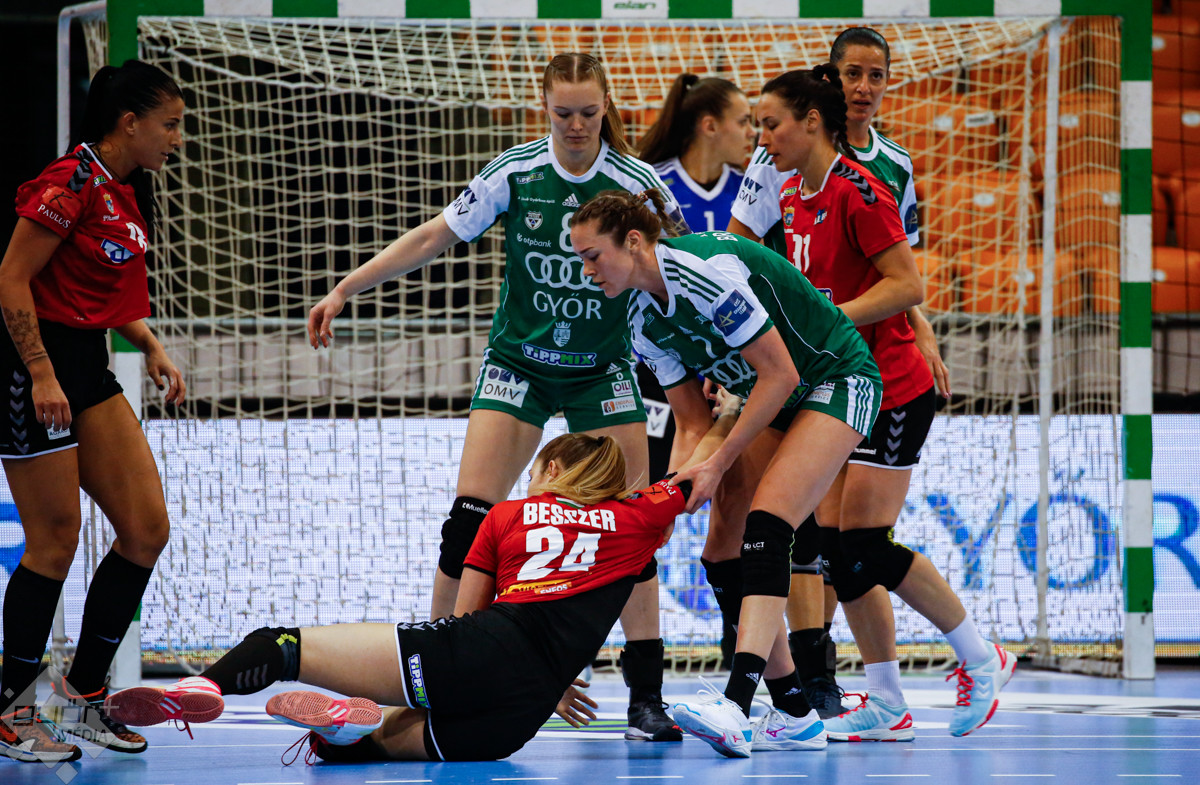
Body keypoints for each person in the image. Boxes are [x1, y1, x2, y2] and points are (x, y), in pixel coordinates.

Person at [305, 53, 688, 742]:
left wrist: (709, 359)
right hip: (519, 367)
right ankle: (432, 676)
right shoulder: (516, 172)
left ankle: (646, 697)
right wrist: (346, 287)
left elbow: (679, 268)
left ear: (607, 107)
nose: (576, 125)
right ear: (544, 107)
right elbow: (434, 235)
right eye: (563, 112)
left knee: (633, 531)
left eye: (588, 112)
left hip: (602, 369)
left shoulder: (637, 183)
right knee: (468, 523)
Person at [106, 424, 737, 762]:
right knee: (365, 751)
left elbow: (466, 619)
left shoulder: (509, 514)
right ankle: (345, 735)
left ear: (550, 469)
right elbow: (699, 472)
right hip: (522, 716)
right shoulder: (637, 519)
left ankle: (200, 687)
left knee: (281, 644)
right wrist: (730, 412)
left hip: (483, 653)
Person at [570, 190, 884, 758]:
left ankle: (737, 704)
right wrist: (665, 501)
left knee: (767, 526)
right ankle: (794, 711)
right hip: (770, 401)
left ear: (633, 242)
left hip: (834, 379)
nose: (586, 271)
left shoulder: (705, 274)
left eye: (593, 256)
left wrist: (717, 462)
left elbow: (781, 374)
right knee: (721, 554)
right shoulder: (641, 320)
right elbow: (693, 422)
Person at [757, 62, 1015, 743]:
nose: (763, 137)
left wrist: (829, 320)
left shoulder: (860, 192)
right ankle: (888, 702)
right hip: (846, 388)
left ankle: (981, 656)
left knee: (864, 546)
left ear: (812, 122)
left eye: (772, 124)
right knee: (841, 554)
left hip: (894, 389)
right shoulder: (793, 194)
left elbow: (907, 285)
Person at [727, 28, 952, 720]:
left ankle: (896, 676)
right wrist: (741, 342)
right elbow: (739, 248)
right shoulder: (781, 158)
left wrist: (921, 331)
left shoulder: (888, 169)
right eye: (852, 73)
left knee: (846, 541)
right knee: (805, 528)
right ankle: (816, 676)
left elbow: (900, 273)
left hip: (868, 366)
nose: (864, 86)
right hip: (803, 361)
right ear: (830, 83)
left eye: (876, 75)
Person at [0, 60, 187, 764]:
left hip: (86, 366)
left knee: (145, 529)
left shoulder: (124, 188)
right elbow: (12, 277)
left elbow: (94, 287)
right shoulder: (69, 181)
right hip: (33, 370)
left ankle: (82, 695)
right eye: (169, 125)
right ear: (129, 123)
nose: (177, 139)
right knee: (55, 540)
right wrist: (41, 372)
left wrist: (150, 343)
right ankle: (12, 710)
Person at [636, 73, 756, 664]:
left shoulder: (752, 190)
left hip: (734, 366)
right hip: (658, 368)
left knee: (735, 511)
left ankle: (744, 655)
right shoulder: (652, 186)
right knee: (646, 507)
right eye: (744, 121)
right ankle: (641, 663)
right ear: (710, 126)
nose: (754, 134)